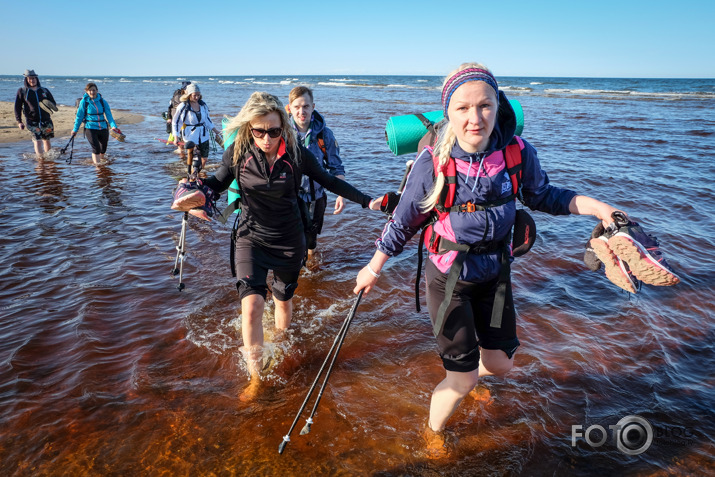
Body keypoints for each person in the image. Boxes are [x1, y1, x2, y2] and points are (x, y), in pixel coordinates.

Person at [353, 62, 626, 451]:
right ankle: (433, 434)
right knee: (462, 379)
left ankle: (467, 376)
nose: (474, 118)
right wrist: (372, 268)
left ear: (498, 106)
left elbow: (545, 195)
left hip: (495, 272)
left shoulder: (516, 153)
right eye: (463, 108)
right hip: (449, 277)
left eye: (484, 106)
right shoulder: (435, 163)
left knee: (500, 365)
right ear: (448, 112)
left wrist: (598, 208)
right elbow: (404, 221)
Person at [174, 91, 374, 400]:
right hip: (250, 237)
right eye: (259, 130)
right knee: (252, 307)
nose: (267, 138)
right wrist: (195, 195)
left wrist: (368, 201)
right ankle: (256, 379)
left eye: (274, 130)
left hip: (288, 240)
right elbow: (215, 184)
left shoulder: (296, 155)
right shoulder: (238, 153)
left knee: (282, 301)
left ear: (284, 127)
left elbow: (329, 180)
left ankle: (282, 342)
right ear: (249, 129)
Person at [287, 86, 346, 258]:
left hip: (316, 197)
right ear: (289, 108)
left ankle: (311, 265)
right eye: (297, 107)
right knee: (292, 237)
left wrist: (341, 194)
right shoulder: (282, 133)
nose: (301, 111)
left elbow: (336, 166)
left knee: (311, 239)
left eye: (305, 106)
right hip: (290, 196)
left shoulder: (325, 135)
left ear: (313, 107)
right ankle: (297, 270)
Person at [171, 83, 221, 169]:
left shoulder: (203, 105)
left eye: (198, 95)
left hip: (204, 135)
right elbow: (176, 122)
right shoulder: (183, 106)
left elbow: (207, 120)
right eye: (194, 95)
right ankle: (190, 173)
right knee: (193, 157)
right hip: (190, 135)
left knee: (204, 158)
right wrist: (176, 137)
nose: (197, 97)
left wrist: (216, 131)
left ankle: (198, 173)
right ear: (189, 95)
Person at [71, 83, 119, 165]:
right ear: (87, 91)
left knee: (103, 148)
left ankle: (101, 161)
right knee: (96, 148)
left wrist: (114, 127)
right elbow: (79, 117)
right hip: (90, 128)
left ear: (97, 90)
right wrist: (75, 130)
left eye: (93, 90)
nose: (92, 92)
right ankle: (98, 168)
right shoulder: (84, 102)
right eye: (90, 90)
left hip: (103, 127)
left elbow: (109, 116)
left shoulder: (103, 102)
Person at [14, 69, 56, 157]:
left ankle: (48, 159)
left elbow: (53, 103)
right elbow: (17, 107)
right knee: (37, 141)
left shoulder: (44, 91)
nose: (32, 80)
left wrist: (49, 105)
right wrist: (19, 121)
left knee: (47, 140)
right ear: (26, 80)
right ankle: (40, 160)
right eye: (30, 79)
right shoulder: (22, 91)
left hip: (46, 120)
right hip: (32, 121)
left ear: (37, 79)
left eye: (33, 78)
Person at [165, 81, 191, 154]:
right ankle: (181, 154)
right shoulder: (177, 97)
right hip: (178, 120)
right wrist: (169, 118)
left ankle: (184, 153)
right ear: (183, 89)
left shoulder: (191, 96)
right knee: (180, 137)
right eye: (187, 88)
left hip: (186, 121)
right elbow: (170, 107)